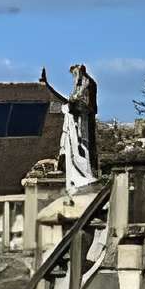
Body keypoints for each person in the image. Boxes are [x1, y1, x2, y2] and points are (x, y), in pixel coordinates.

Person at [45, 63, 99, 193]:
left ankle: (84, 173)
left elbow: (79, 98)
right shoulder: (83, 82)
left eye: (74, 73)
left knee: (81, 144)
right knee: (77, 145)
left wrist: (71, 104)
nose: (73, 77)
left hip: (82, 117)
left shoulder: (86, 82)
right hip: (79, 117)